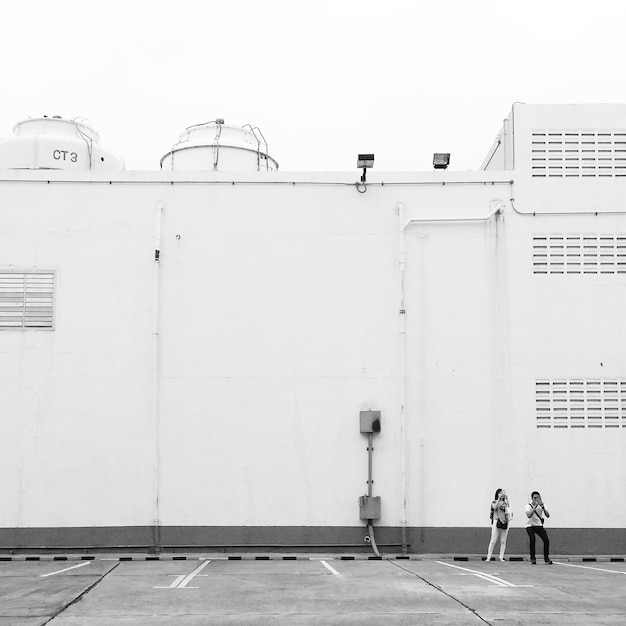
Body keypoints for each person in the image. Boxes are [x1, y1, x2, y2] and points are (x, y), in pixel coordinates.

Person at [525, 491, 553, 564]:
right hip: (530, 526)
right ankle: (533, 558)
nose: (536, 499)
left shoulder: (542, 505)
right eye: (535, 498)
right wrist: (534, 507)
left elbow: (548, 515)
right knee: (532, 539)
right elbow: (529, 515)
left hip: (539, 525)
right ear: (532, 499)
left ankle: (546, 558)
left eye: (538, 497)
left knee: (546, 540)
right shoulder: (528, 506)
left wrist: (543, 507)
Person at [486, 488, 512, 562]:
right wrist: (499, 499)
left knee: (503, 541)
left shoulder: (505, 503)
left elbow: (509, 509)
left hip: (505, 521)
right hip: (497, 521)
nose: (503, 494)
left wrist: (507, 499)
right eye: (502, 493)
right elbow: (494, 507)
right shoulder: (494, 501)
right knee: (493, 540)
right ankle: (489, 556)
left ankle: (501, 556)